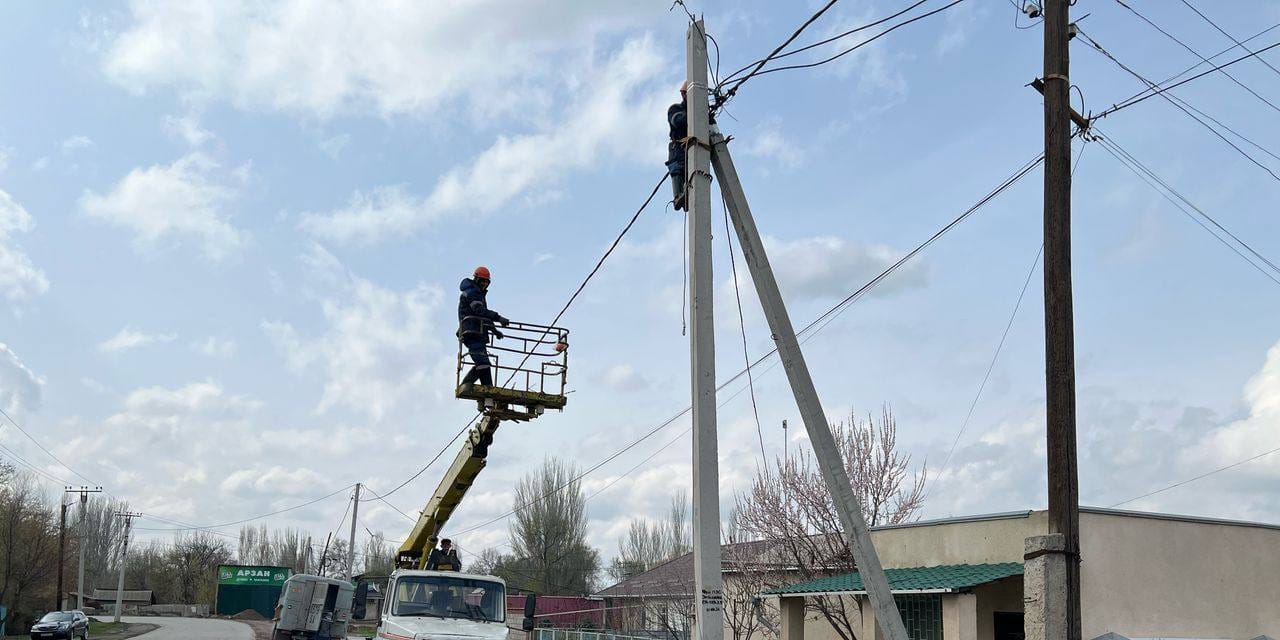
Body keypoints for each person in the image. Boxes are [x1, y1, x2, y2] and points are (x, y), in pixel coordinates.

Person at [458, 266, 509, 388]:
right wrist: (498, 317)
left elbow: (483, 317)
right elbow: (479, 311)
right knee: (482, 362)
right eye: (483, 281)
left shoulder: (478, 294)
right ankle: (487, 388)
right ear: (476, 279)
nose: (485, 284)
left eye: (487, 282)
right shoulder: (472, 292)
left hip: (477, 331)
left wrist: (494, 330)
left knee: (482, 362)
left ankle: (472, 384)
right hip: (471, 332)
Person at [666, 81, 690, 211]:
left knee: (692, 171)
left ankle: (688, 196)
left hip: (692, 147)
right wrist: (695, 112)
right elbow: (677, 121)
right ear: (683, 94)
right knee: (677, 170)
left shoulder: (701, 112)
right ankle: (678, 197)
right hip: (678, 147)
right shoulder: (675, 109)